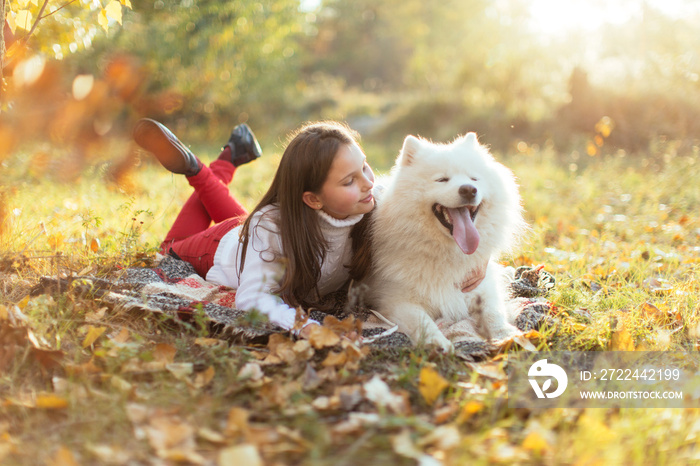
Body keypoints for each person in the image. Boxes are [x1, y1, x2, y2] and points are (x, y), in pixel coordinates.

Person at [133, 118, 376, 330]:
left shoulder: (371, 204)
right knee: (168, 249)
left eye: (365, 166)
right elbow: (252, 298)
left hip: (255, 236)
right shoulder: (270, 229)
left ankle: (227, 157)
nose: (368, 183)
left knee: (262, 225)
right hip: (218, 249)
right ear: (312, 199)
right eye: (349, 181)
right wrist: (302, 326)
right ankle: (199, 168)